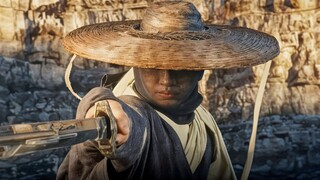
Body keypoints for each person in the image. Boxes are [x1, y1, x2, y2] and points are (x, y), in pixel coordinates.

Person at [57, 1, 279, 180]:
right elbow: (131, 121)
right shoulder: (132, 107)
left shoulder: (204, 124)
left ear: (201, 69)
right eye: (153, 66)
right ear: (136, 63)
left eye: (180, 67)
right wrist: (103, 108)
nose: (166, 80)